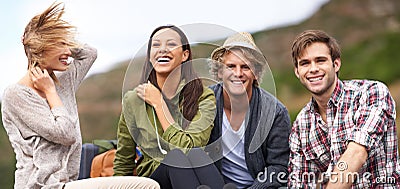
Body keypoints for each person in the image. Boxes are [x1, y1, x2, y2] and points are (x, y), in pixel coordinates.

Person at [1, 2, 159, 189]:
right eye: (61, 44)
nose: (68, 51)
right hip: (41, 186)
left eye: (67, 44)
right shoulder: (16, 95)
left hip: (68, 183)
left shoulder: (62, 81)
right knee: (147, 186)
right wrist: (50, 92)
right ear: (42, 47)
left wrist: (60, 40)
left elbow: (89, 54)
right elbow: (65, 134)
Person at [113, 25, 226, 189]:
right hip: (153, 182)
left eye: (171, 44)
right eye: (156, 45)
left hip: (191, 171)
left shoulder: (203, 97)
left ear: (185, 55)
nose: (162, 50)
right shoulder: (133, 100)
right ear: (150, 56)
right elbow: (124, 158)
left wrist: (159, 104)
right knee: (175, 158)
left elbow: (190, 148)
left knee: (194, 153)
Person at [288, 29, 400, 188]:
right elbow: (299, 182)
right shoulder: (301, 125)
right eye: (305, 63)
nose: (313, 69)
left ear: (336, 64)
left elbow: (357, 153)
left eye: (320, 60)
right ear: (297, 72)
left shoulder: (371, 93)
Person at [206, 32, 291, 188]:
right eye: (230, 66)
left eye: (245, 67)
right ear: (219, 71)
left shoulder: (275, 112)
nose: (238, 73)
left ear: (256, 73)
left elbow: (279, 166)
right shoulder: (205, 102)